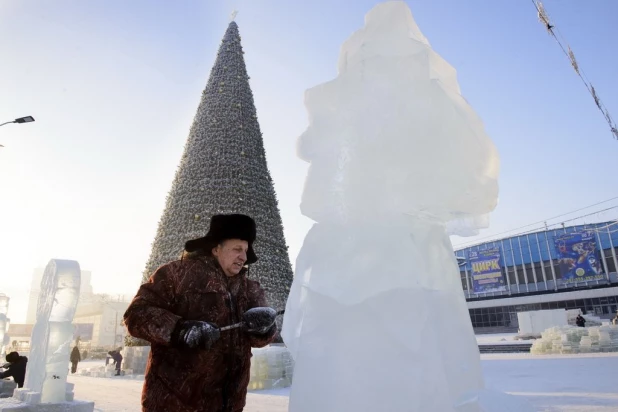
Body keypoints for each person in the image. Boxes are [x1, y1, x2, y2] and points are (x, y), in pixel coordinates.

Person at [124, 214, 278, 411]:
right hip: (174, 404)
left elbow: (260, 339)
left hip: (230, 406)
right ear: (216, 249)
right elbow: (136, 314)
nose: (244, 257)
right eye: (237, 249)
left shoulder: (251, 289)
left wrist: (264, 329)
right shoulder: (176, 275)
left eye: (246, 250)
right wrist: (180, 329)